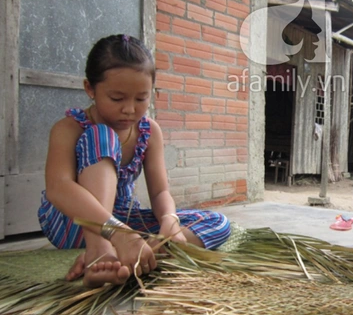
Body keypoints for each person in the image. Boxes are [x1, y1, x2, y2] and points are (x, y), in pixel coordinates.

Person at [39, 34, 231, 288]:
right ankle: (100, 249)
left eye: (141, 99)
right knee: (101, 135)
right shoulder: (69, 128)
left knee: (217, 223)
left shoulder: (149, 131)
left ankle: (142, 252)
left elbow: (160, 190)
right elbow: (58, 188)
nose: (130, 109)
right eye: (117, 99)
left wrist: (169, 222)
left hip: (124, 222)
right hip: (72, 222)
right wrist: (118, 233)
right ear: (90, 89)